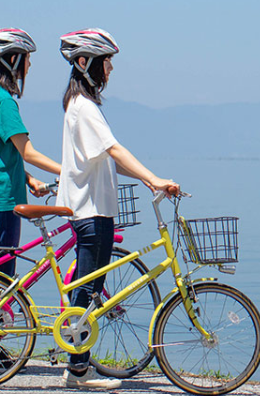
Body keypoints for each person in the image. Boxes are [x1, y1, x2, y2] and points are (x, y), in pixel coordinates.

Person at [55, 28, 179, 390]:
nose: (110, 68)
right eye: (106, 61)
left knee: (89, 290)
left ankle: (78, 365)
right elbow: (115, 149)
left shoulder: (81, 106)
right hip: (91, 213)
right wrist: (154, 178)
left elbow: (111, 160)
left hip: (96, 211)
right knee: (86, 292)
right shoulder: (85, 107)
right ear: (84, 63)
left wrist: (146, 178)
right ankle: (77, 370)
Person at [0, 28, 61, 281]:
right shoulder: (3, 101)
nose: (29, 65)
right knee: (1, 280)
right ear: (14, 59)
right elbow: (28, 152)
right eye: (27, 58)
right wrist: (71, 170)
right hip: (0, 199)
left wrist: (28, 180)